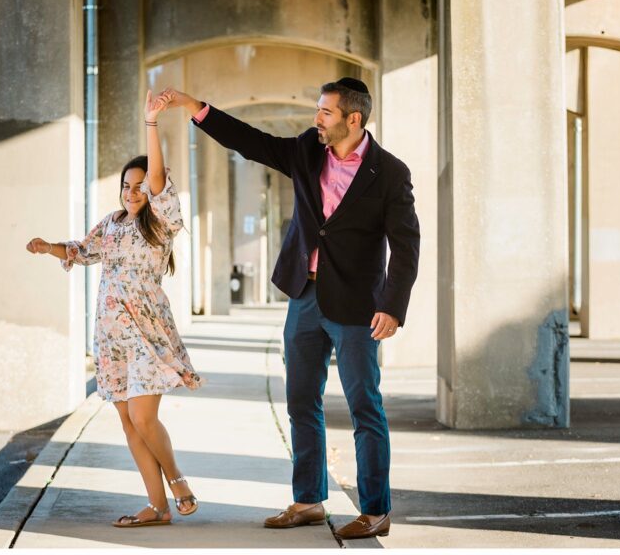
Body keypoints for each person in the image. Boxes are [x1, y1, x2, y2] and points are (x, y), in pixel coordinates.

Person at [159, 77, 419, 539]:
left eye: (325, 112)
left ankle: (376, 508)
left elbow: (405, 245)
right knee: (301, 401)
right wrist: (193, 106)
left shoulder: (390, 172)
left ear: (353, 119)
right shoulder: (306, 150)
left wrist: (393, 306)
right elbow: (253, 143)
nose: (315, 119)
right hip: (304, 295)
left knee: (364, 406)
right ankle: (308, 501)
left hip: (358, 305)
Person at [26, 90, 203, 528]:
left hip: (145, 332)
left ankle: (178, 480)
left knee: (144, 417)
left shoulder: (161, 224)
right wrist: (49, 247)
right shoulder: (110, 224)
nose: (132, 192)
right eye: (127, 185)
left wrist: (151, 125)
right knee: (129, 424)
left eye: (140, 186)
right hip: (111, 337)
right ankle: (157, 507)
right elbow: (82, 251)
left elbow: (157, 181)